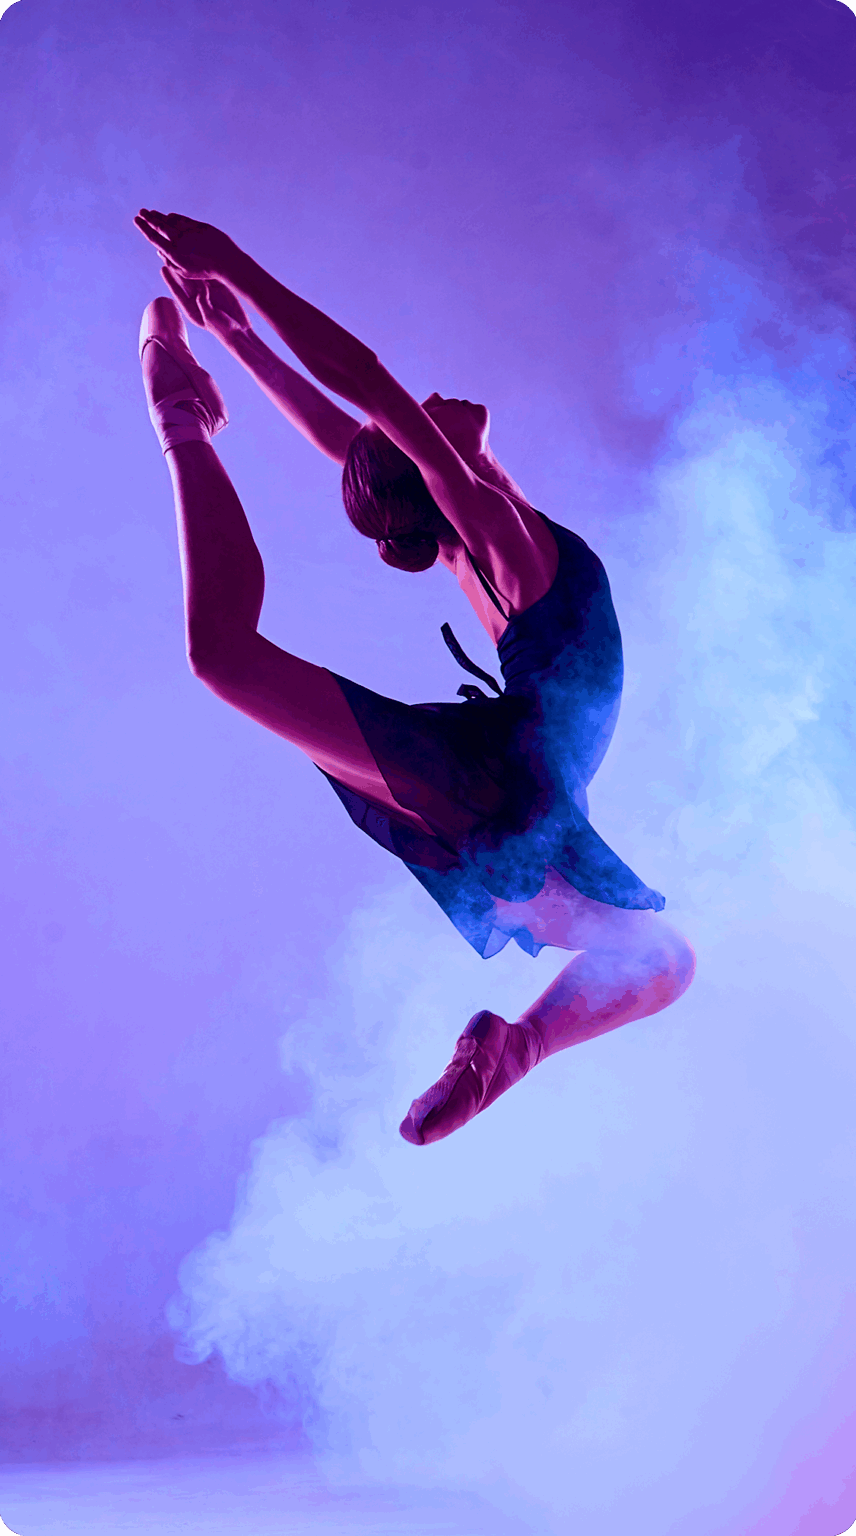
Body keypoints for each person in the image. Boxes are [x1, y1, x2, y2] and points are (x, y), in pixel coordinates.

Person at [133, 209, 696, 1146]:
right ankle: (179, 418)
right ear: (429, 469)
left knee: (662, 961)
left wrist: (237, 338)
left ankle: (512, 1051)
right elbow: (365, 384)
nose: (425, 399)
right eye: (418, 421)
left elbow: (342, 439)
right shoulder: (494, 535)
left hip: (516, 783)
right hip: (509, 768)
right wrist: (237, 266)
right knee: (221, 659)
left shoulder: (467, 539)